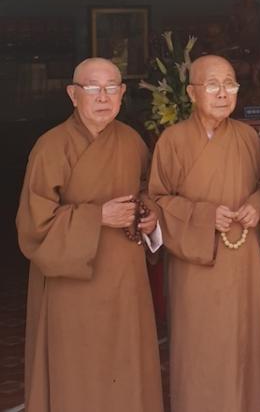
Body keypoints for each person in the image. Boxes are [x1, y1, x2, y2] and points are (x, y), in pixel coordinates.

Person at [16, 58, 164, 412]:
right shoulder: (50, 147)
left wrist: (150, 218)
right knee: (78, 373)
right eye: (92, 88)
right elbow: (34, 227)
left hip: (126, 281)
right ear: (73, 94)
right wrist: (98, 216)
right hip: (73, 285)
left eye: (112, 88)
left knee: (128, 367)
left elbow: (149, 194)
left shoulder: (132, 142)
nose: (103, 97)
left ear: (123, 93)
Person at [148, 55, 260, 412]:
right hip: (198, 267)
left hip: (248, 266)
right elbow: (158, 201)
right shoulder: (173, 141)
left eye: (230, 84)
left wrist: (257, 202)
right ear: (192, 92)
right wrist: (205, 216)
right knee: (203, 348)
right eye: (212, 85)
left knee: (250, 344)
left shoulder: (248, 138)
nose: (223, 93)